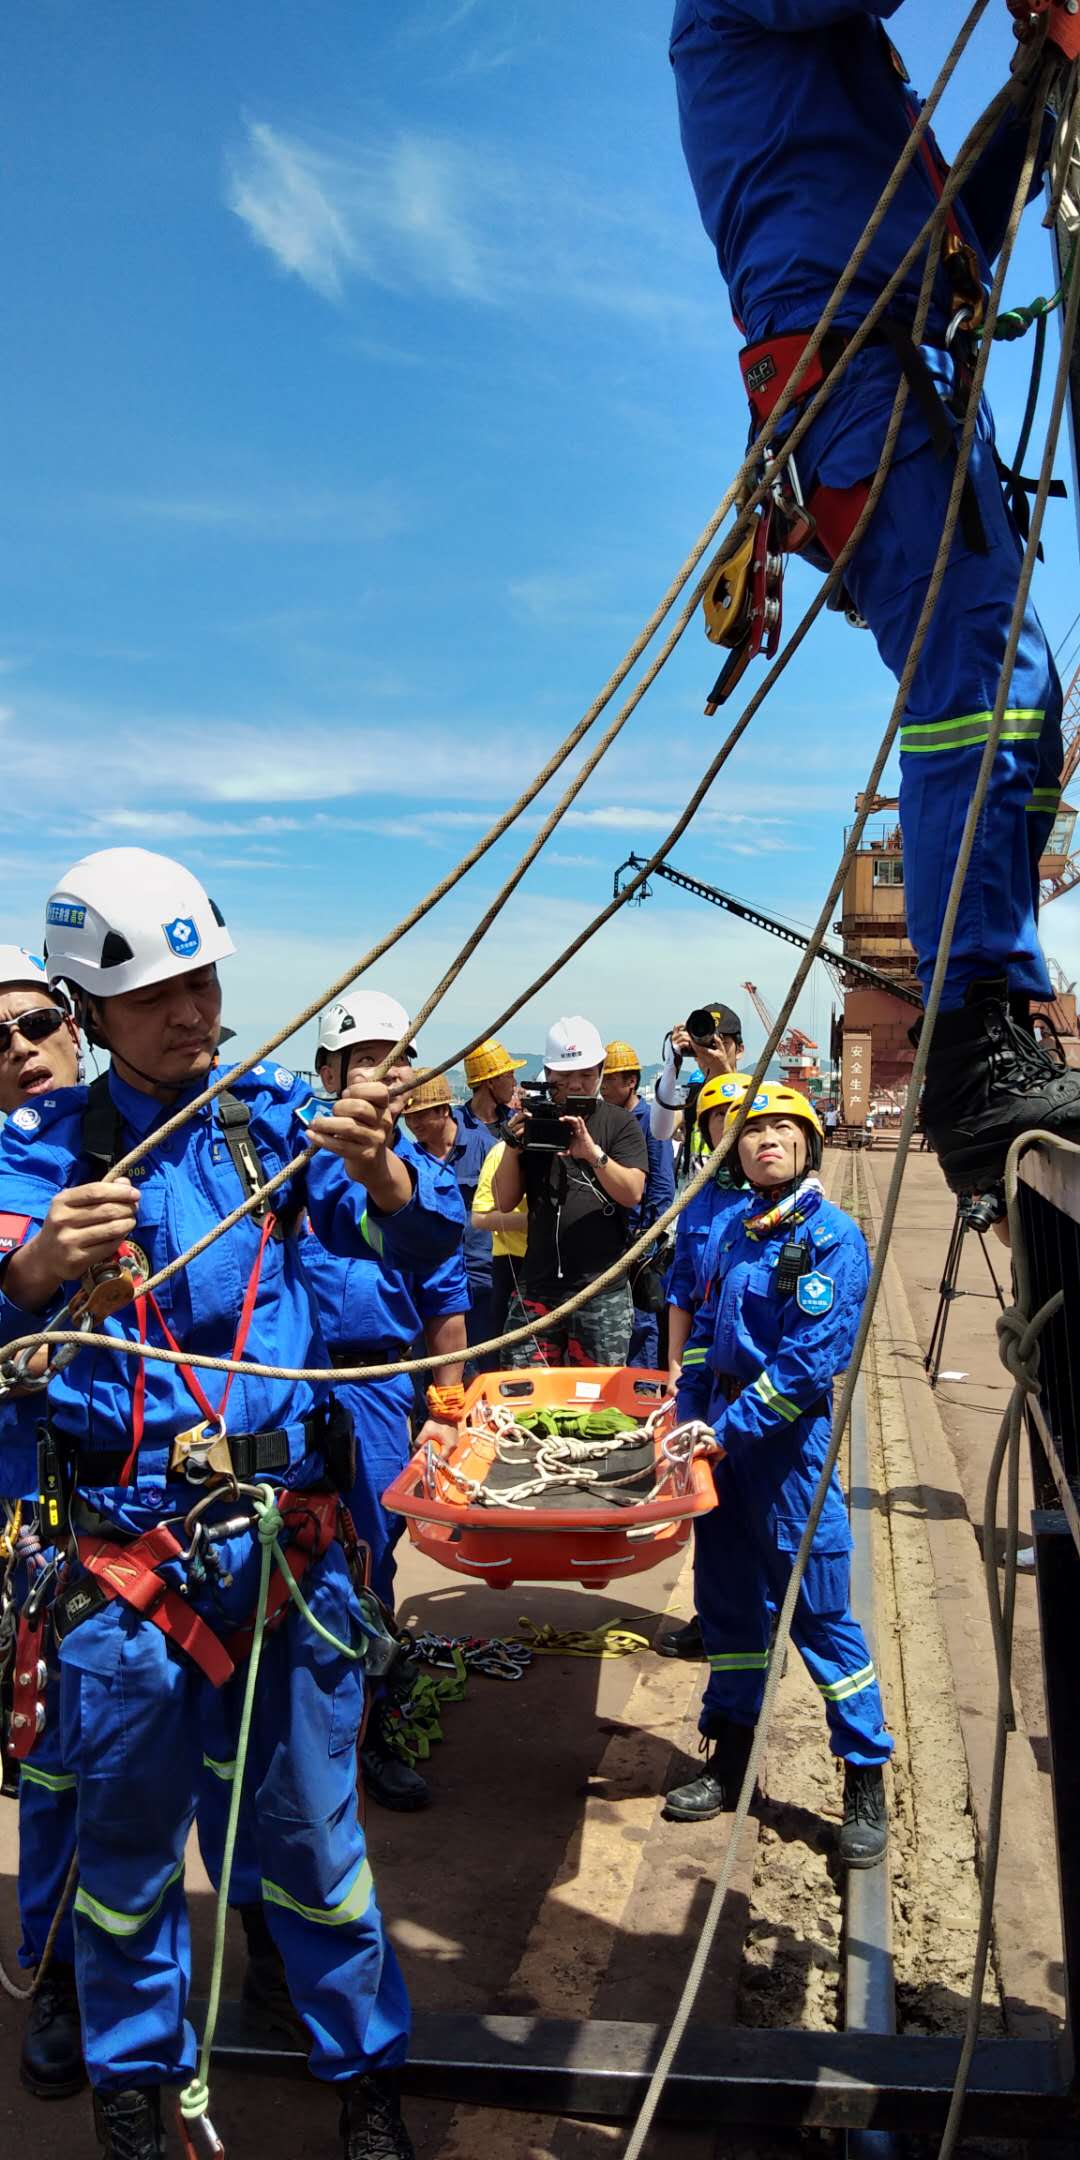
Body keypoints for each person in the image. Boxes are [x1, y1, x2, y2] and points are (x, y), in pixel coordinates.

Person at [0, 850, 465, 2160]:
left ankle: (366, 2082)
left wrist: (389, 1180)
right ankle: (132, 2095)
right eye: (155, 995)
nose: (191, 1012)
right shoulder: (36, 1155)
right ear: (89, 1012)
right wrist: (32, 1276)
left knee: (314, 1844)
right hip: (125, 1567)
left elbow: (417, 1253)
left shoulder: (268, 1127)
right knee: (127, 1855)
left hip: (281, 1548)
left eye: (200, 981)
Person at [668, 2, 1080, 1204]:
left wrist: (1032, 89)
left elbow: (956, 232)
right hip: (860, 370)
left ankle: (991, 1016)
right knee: (979, 679)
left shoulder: (848, 88)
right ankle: (973, 1035)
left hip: (907, 367)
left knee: (1025, 696)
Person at [664, 1082, 892, 1867]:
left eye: (781, 1128)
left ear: (807, 1143)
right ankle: (730, 1759)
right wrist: (687, 1410)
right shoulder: (736, 1230)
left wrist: (723, 1432)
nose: (765, 1139)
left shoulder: (831, 1239)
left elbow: (805, 1367)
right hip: (721, 1444)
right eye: (751, 1129)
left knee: (820, 1614)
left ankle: (864, 1779)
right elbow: (703, 1336)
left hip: (786, 1453)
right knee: (728, 1610)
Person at [304, 994, 470, 1813]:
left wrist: (446, 1412)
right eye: (364, 1059)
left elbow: (447, 1306)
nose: (382, 1073)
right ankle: (298, 1736)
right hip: (290, 1384)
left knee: (369, 1557)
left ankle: (375, 1729)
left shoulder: (421, 1185)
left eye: (395, 1059)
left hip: (375, 1388)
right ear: (327, 1072)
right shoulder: (290, 1166)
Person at [0, 948, 84, 2099]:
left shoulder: (168, 1138)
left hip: (188, 1495)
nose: (20, 1049)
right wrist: (23, 1283)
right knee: (59, 1758)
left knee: (243, 1755)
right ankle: (58, 1968)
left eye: (33, 1022)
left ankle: (269, 1951)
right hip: (46, 1512)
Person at [655, 1070, 753, 1661]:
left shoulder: (786, 1199)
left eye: (742, 1117)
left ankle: (763, 1623)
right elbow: (683, 1288)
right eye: (718, 1117)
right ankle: (713, 1620)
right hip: (707, 1377)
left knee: (763, 1515)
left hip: (759, 1383)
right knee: (711, 1505)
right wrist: (674, 1368)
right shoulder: (699, 1197)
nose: (730, 1127)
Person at [492, 1016, 647, 1367]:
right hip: (537, 1285)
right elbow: (503, 1200)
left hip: (600, 1288)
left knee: (597, 1392)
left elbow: (632, 1192)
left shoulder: (619, 1123)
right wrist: (512, 1146)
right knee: (524, 1389)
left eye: (586, 1075)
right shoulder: (533, 1123)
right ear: (548, 1075)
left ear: (601, 1072)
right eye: (564, 1077)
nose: (576, 1085)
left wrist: (593, 1154)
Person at [402, 1068, 496, 1359]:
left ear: (444, 1110)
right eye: (409, 1117)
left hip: (481, 1281)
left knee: (482, 1368)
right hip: (430, 1283)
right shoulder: (409, 1160)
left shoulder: (486, 1148)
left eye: (421, 1115)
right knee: (428, 1368)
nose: (414, 1124)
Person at [601, 1041, 677, 1368]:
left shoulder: (649, 1122)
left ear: (631, 1082)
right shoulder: (610, 1120)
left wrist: (647, 1234)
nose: (603, 1087)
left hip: (639, 1238)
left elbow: (662, 1183)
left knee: (642, 1318)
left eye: (610, 1080)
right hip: (613, 1233)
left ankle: (642, 1385)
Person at [650, 1002, 745, 1181]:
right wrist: (671, 1064)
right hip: (697, 1195)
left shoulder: (754, 1091)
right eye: (704, 1045)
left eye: (721, 1043)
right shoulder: (691, 1096)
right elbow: (660, 1131)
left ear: (740, 1050)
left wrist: (724, 1075)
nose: (711, 1051)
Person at [470, 1139, 528, 1352]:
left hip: (571, 1262)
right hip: (514, 1263)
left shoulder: (583, 1147)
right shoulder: (503, 1152)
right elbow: (480, 1218)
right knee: (512, 1351)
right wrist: (536, 1221)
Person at [460, 1038, 525, 1134]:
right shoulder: (455, 1127)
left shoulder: (516, 1122)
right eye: (510, 1076)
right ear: (490, 1082)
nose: (514, 1083)